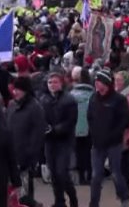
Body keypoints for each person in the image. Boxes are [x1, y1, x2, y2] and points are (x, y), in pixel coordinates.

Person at [87, 69, 129, 207]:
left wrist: (115, 134)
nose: (96, 83)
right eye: (95, 81)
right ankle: (94, 203)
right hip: (97, 144)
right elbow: (90, 117)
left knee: (116, 174)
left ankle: (125, 199)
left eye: (99, 81)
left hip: (114, 143)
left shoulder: (119, 100)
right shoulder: (93, 98)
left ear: (106, 83)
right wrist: (93, 134)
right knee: (96, 176)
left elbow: (126, 120)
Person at [40, 72, 79, 207]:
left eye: (55, 82)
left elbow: (71, 121)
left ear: (61, 83)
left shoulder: (69, 100)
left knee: (62, 171)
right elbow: (41, 118)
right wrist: (45, 128)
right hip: (49, 141)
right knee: (54, 173)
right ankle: (59, 201)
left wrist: (55, 129)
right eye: (50, 82)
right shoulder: (44, 99)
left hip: (64, 140)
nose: (52, 85)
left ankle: (73, 197)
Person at [6, 76, 45, 206]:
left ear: (26, 90)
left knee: (24, 195)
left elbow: (37, 137)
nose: (15, 92)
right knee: (11, 195)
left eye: (18, 89)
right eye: (14, 89)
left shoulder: (35, 108)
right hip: (10, 156)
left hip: (25, 159)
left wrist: (29, 158)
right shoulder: (11, 105)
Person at [70, 67, 94, 186]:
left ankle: (81, 176)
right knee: (90, 151)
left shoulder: (71, 95)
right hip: (90, 128)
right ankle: (89, 174)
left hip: (76, 128)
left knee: (79, 152)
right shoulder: (93, 94)